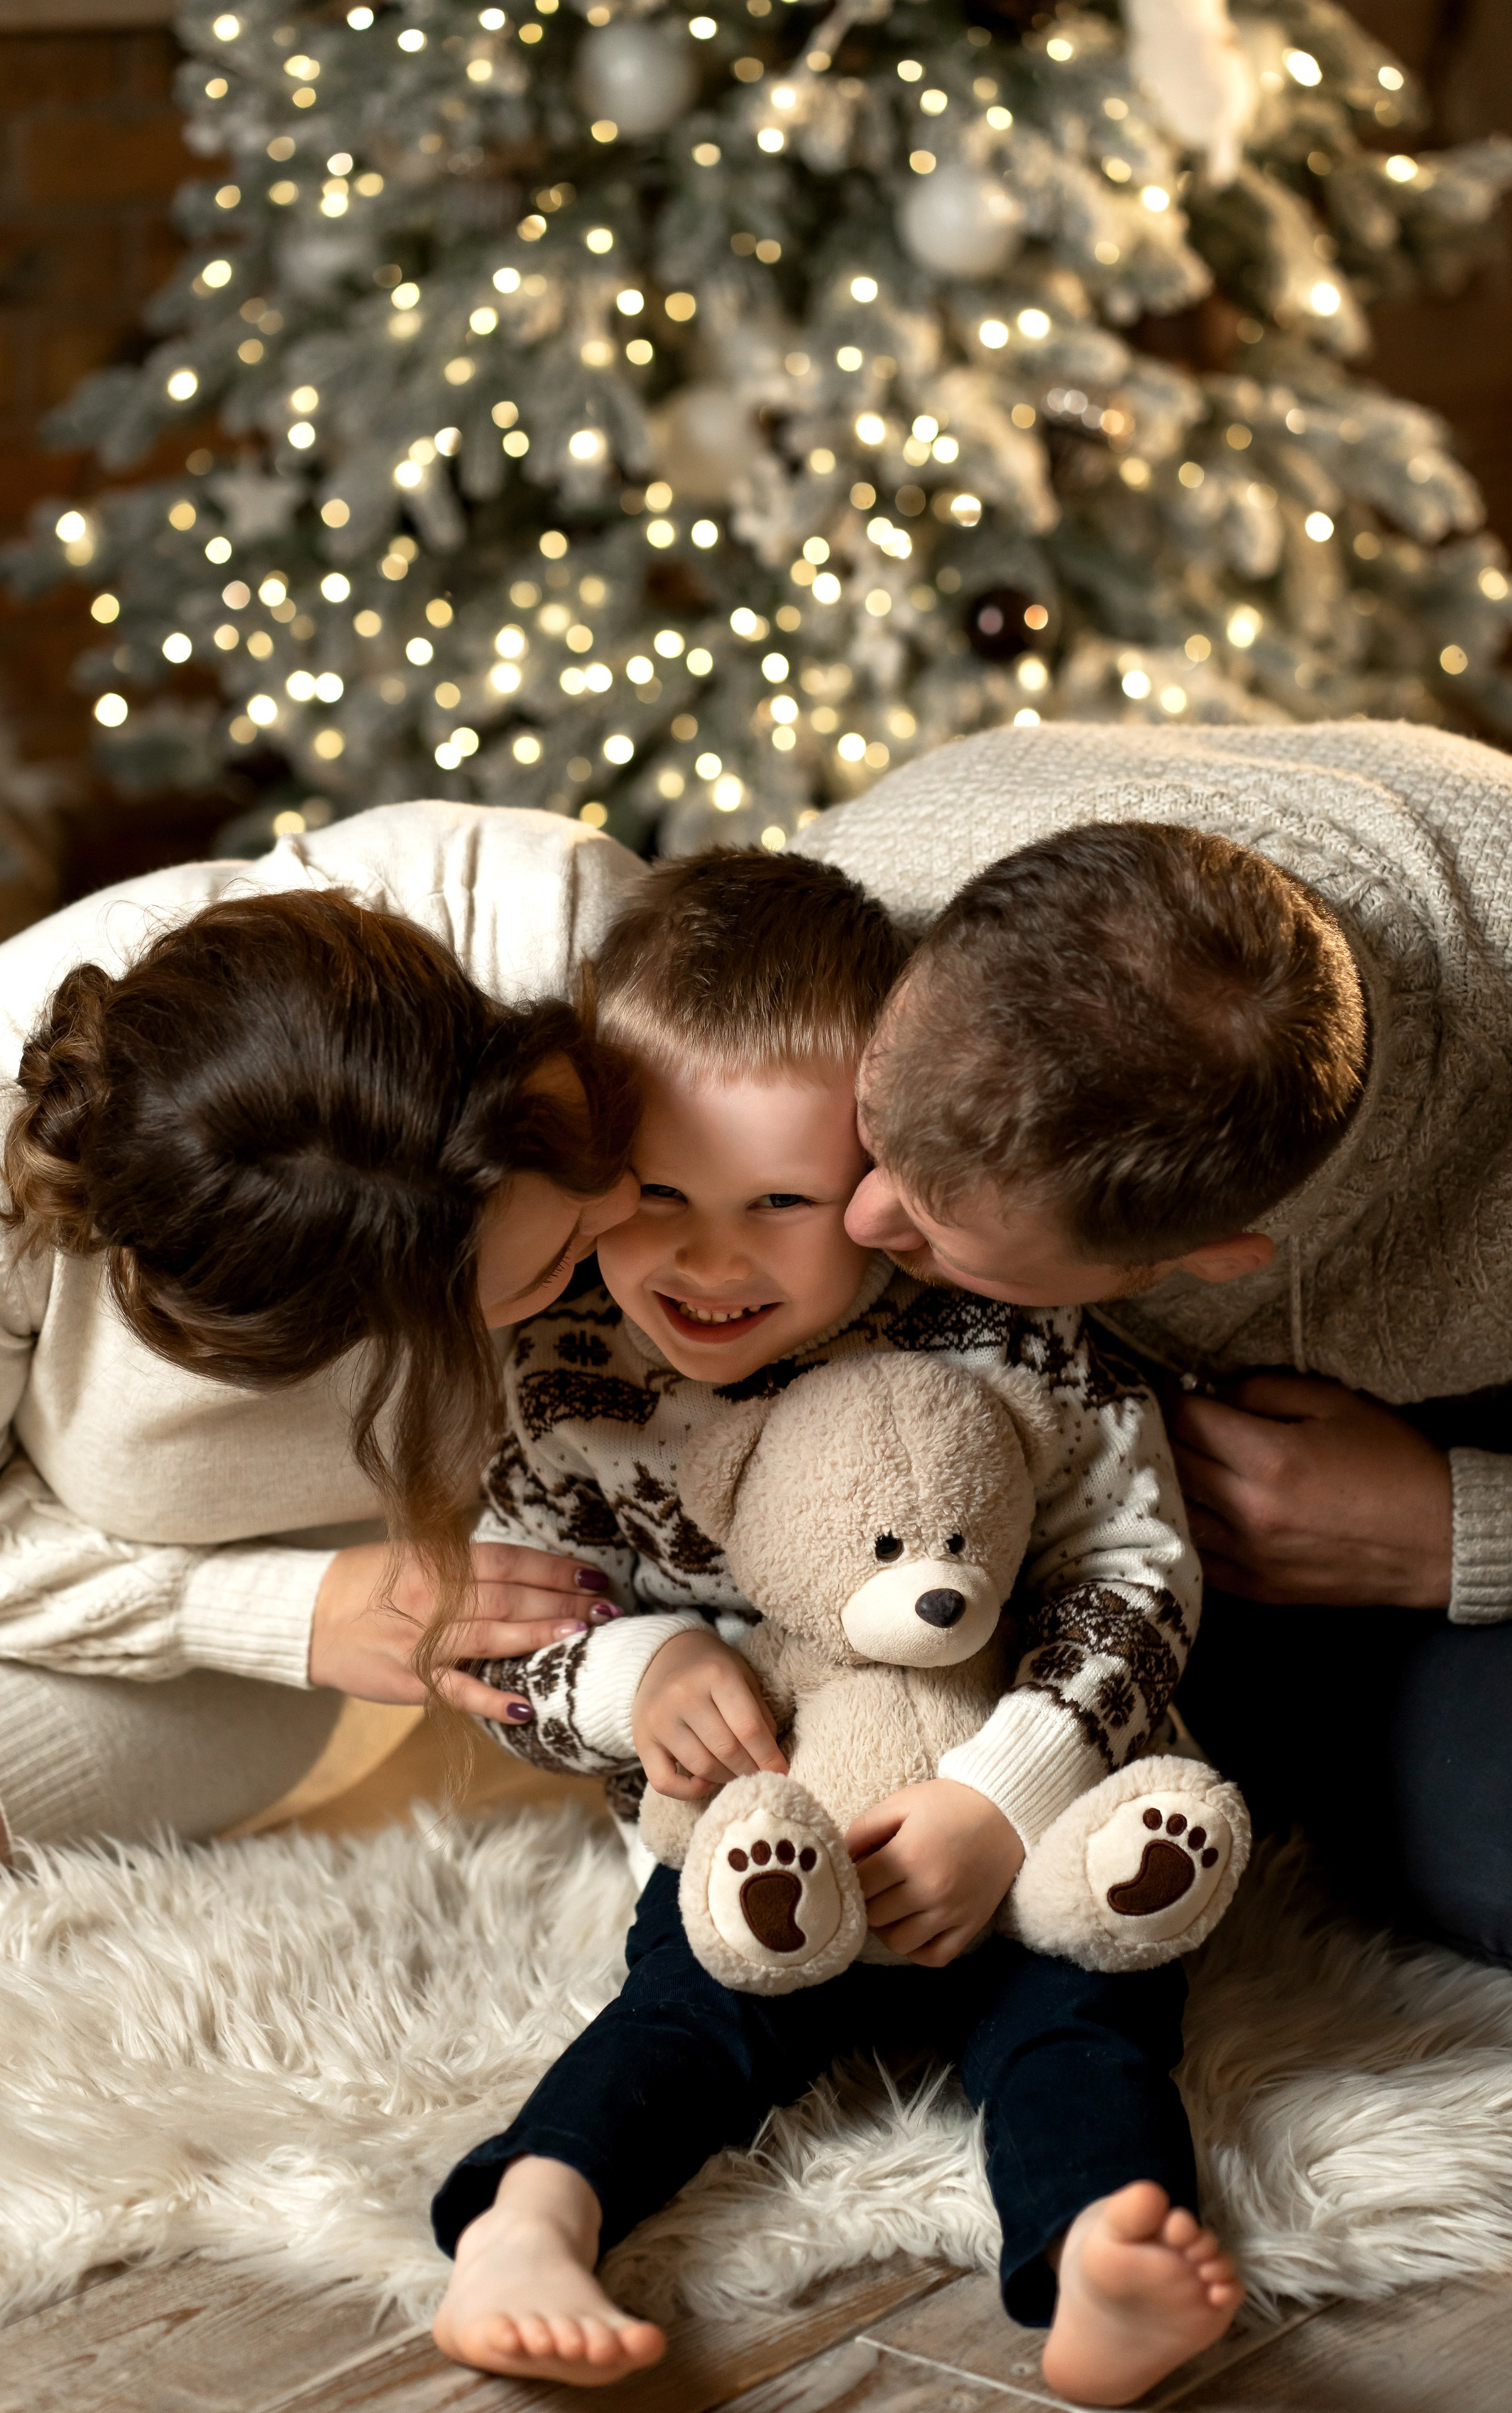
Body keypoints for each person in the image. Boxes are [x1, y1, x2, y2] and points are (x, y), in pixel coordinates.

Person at [430, 850, 1242, 2408]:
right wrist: (627, 1669)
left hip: (1017, 1832)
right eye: (655, 1193)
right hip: (761, 1850)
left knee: (1086, 2019)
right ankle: (529, 2221)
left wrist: (997, 1802)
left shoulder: (1001, 1329)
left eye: (779, 1203)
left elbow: (1136, 1575)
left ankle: (1097, 2262)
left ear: (875, 1178)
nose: (705, 1260)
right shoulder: (562, 1366)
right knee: (680, 2017)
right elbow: (496, 1642)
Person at [798, 716, 1512, 2010]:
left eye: (943, 1240)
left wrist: (1461, 1532)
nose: (859, 1226)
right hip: (1123, 1497)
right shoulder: (879, 882)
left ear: (1219, 1258)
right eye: (869, 1137)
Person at [0, 801, 649, 1856]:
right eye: (570, 1254)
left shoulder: (565, 926)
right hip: (185, 1616)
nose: (636, 1209)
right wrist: (282, 1613)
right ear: (332, 1340)